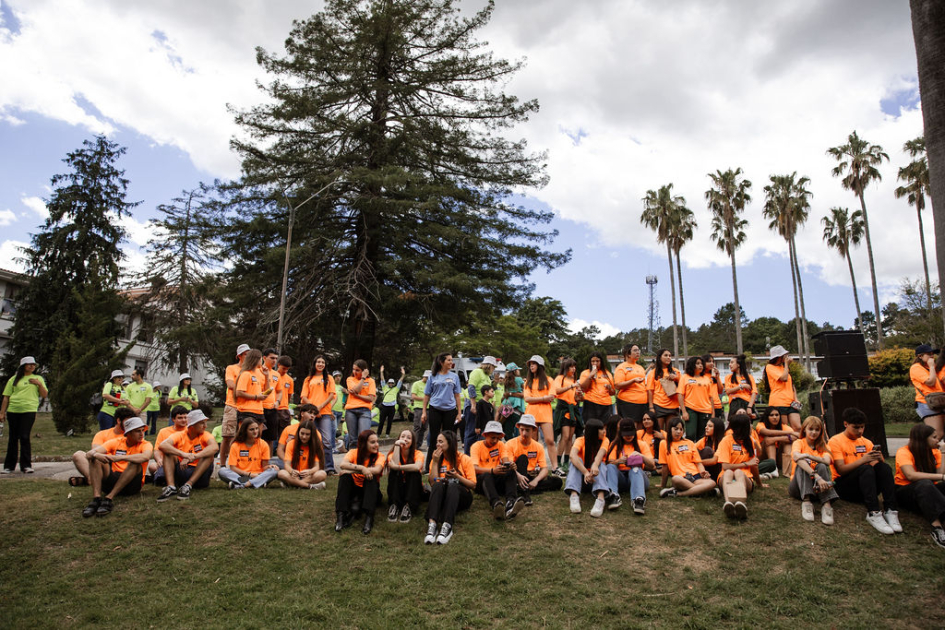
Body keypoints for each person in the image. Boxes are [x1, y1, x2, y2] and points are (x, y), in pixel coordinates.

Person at [828, 407, 900, 535]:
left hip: (866, 484)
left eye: (862, 427)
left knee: (884, 468)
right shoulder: (835, 441)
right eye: (856, 427)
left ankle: (891, 509)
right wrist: (863, 460)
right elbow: (841, 470)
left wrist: (878, 459)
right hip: (844, 486)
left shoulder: (866, 442)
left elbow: (878, 470)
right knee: (865, 468)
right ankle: (873, 512)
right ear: (846, 424)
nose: (860, 431)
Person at [80, 417, 152, 517]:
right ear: (129, 433)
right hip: (113, 478)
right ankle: (96, 499)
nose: (141, 434)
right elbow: (88, 454)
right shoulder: (116, 442)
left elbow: (145, 456)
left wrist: (117, 458)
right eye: (137, 431)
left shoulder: (146, 444)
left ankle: (109, 498)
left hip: (132, 485)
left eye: (142, 431)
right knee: (95, 459)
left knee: (135, 463)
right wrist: (96, 455)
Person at [895, 423, 945, 548]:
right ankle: (937, 527)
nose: (938, 440)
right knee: (924, 484)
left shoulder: (934, 452)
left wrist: (943, 453)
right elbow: (910, 475)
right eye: (934, 437)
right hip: (905, 492)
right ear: (923, 439)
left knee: (929, 485)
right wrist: (941, 477)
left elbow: (940, 475)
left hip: (928, 492)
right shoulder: (904, 452)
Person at [424, 430, 476, 545]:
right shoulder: (436, 459)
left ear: (450, 443)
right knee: (438, 484)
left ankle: (447, 526)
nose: (438, 444)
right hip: (444, 497)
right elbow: (432, 483)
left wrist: (457, 476)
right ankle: (432, 525)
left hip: (462, 497)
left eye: (441, 442)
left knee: (453, 485)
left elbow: (473, 485)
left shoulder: (464, 458)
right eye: (437, 441)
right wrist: (436, 462)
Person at [157, 409, 218, 501]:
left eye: (205, 423)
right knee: (168, 453)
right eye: (202, 423)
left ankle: (188, 485)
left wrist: (194, 457)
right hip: (183, 470)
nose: (205, 426)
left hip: (200, 474)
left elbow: (215, 447)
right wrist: (184, 455)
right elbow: (163, 445)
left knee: (209, 454)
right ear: (192, 426)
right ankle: (171, 487)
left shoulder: (205, 435)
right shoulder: (180, 435)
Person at [1, 356, 48, 474]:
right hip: (13, 410)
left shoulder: (38, 378)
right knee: (13, 438)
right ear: (23, 366)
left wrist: (39, 384)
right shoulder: (13, 379)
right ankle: (9, 466)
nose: (32, 366)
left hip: (29, 410)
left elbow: (44, 395)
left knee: (24, 436)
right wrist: (2, 412)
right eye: (29, 364)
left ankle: (26, 465)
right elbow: (6, 397)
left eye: (33, 364)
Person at [789, 416, 838, 525]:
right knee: (802, 464)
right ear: (804, 429)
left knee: (821, 466)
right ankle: (806, 502)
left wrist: (808, 455)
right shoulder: (799, 442)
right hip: (798, 486)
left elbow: (826, 461)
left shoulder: (824, 446)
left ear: (821, 431)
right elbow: (797, 457)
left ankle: (826, 504)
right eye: (811, 429)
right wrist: (817, 477)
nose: (814, 432)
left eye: (817, 430)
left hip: (818, 487)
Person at [336, 430, 386, 534]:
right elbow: (342, 465)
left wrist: (353, 469)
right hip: (354, 490)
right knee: (345, 477)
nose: (376, 445)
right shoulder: (353, 452)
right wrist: (362, 468)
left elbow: (377, 470)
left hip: (371, 492)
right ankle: (340, 516)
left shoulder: (380, 456)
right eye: (372, 442)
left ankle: (369, 518)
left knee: (370, 477)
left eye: (377, 442)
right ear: (363, 443)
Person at [470, 421, 522, 521]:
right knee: (487, 475)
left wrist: (510, 465)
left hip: (496, 476)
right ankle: (496, 504)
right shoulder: (476, 446)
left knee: (511, 472)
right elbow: (474, 468)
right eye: (492, 438)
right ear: (485, 435)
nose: (495, 441)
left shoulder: (501, 444)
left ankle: (510, 502)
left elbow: (506, 461)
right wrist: (492, 470)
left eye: (498, 438)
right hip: (481, 480)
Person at [602, 417, 654, 515]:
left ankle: (638, 500)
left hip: (638, 477)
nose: (629, 436)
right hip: (621, 478)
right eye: (626, 434)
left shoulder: (641, 444)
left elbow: (652, 465)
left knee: (635, 469)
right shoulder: (614, 444)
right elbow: (608, 463)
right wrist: (619, 461)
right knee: (610, 467)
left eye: (631, 434)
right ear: (620, 433)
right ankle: (614, 495)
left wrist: (641, 456)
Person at [564, 418, 615, 516]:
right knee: (576, 461)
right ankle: (574, 496)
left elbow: (600, 454)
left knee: (601, 464)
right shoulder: (580, 440)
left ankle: (600, 499)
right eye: (601, 429)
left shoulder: (605, 440)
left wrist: (595, 465)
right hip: (581, 480)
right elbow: (572, 455)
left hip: (596, 479)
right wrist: (585, 472)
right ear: (594, 431)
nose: (604, 431)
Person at [69, 407, 133, 486]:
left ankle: (89, 480)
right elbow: (95, 452)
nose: (131, 424)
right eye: (128, 421)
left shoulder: (131, 435)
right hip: (102, 462)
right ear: (119, 420)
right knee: (78, 455)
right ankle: (91, 479)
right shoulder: (102, 434)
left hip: (120, 465)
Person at [523, 355, 561, 479]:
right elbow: (527, 399)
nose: (531, 366)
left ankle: (555, 467)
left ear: (540, 366)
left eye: (534, 363)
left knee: (550, 440)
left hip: (545, 414)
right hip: (531, 414)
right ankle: (533, 467)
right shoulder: (527, 382)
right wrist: (543, 398)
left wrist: (538, 399)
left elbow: (551, 397)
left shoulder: (549, 380)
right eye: (530, 364)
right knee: (533, 442)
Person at [422, 353, 462, 470]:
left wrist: (459, 413)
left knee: (448, 438)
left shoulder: (454, 377)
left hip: (450, 410)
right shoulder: (432, 376)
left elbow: (457, 396)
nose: (451, 362)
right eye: (449, 360)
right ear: (441, 362)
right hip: (435, 409)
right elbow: (426, 395)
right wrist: (424, 412)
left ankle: (450, 465)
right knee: (434, 437)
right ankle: (429, 466)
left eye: (451, 360)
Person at [658, 416, 717, 498]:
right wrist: (662, 485)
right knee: (675, 479)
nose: (679, 431)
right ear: (669, 429)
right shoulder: (664, 443)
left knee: (712, 483)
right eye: (676, 429)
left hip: (695, 476)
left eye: (681, 429)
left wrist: (703, 472)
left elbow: (698, 463)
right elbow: (665, 466)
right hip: (681, 478)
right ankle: (703, 491)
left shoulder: (689, 443)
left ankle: (678, 494)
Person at [716, 413, 761, 519]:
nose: (751, 427)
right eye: (749, 424)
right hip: (726, 477)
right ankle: (728, 504)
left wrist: (759, 483)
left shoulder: (750, 441)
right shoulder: (726, 441)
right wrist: (746, 464)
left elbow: (754, 465)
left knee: (738, 472)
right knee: (729, 472)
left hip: (745, 478)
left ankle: (741, 504)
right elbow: (725, 466)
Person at [218, 416, 278, 489]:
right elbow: (233, 468)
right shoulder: (235, 445)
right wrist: (249, 474)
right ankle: (256, 483)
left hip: (258, 475)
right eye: (251, 429)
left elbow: (264, 466)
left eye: (256, 428)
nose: (255, 431)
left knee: (274, 471)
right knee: (222, 471)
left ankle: (243, 485)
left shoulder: (263, 444)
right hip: (242, 476)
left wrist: (270, 467)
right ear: (245, 431)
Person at [301, 356, 337, 474]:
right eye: (318, 362)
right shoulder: (308, 379)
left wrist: (320, 407)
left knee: (326, 441)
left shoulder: (329, 378)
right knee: (310, 439)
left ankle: (329, 468)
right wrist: (313, 408)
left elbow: (332, 395)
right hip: (310, 413)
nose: (321, 364)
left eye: (323, 362)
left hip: (325, 412)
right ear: (314, 363)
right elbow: (304, 397)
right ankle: (310, 466)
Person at [385, 429, 425, 522]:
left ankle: (408, 506)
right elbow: (393, 464)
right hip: (398, 488)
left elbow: (417, 466)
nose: (405, 439)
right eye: (402, 436)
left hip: (412, 488)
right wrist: (397, 446)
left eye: (409, 438)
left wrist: (399, 467)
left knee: (414, 472)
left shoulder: (418, 453)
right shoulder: (392, 454)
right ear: (398, 438)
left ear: (413, 441)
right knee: (394, 472)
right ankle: (394, 505)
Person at [222, 343, 251, 468]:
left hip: (246, 407)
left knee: (242, 436)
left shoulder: (252, 370)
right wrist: (244, 390)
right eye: (246, 354)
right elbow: (230, 384)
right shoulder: (231, 368)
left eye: (249, 354)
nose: (248, 356)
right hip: (232, 405)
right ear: (239, 356)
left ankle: (238, 464)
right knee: (228, 436)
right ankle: (222, 464)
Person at [276, 418, 327, 490]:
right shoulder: (291, 443)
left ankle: (293, 484)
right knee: (281, 473)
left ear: (312, 435)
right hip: (294, 474)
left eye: (307, 434)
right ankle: (310, 486)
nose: (304, 437)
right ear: (298, 432)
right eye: (302, 433)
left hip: (308, 475)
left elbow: (317, 466)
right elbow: (287, 464)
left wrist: (310, 471)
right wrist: (292, 471)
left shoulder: (316, 445)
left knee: (322, 474)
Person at [552, 358, 582, 475]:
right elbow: (557, 391)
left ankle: (566, 462)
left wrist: (579, 395)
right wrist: (571, 386)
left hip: (573, 409)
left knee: (570, 437)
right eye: (571, 366)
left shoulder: (574, 380)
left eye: (574, 366)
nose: (574, 369)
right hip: (563, 409)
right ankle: (558, 462)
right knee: (564, 436)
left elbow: (575, 398)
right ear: (566, 368)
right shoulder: (560, 378)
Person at [763, 345, 801, 431]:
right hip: (779, 402)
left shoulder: (784, 368)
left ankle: (796, 444)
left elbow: (791, 384)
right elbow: (784, 378)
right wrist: (787, 364)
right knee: (785, 429)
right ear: (779, 357)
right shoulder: (770, 367)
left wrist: (796, 399)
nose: (786, 357)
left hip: (791, 402)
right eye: (784, 355)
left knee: (797, 427)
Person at [463, 356, 497, 453]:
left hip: (483, 405)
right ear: (488, 366)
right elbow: (471, 387)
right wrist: (473, 405)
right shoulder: (477, 372)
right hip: (474, 404)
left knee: (481, 431)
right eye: (493, 367)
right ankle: (468, 456)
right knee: (472, 431)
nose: (493, 369)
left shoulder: (487, 376)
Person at [911, 344, 945, 438]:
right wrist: (932, 367)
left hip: (938, 401)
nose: (931, 356)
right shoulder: (916, 367)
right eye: (928, 354)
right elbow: (931, 382)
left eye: (932, 353)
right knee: (936, 435)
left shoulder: (930, 367)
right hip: (926, 402)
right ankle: (920, 450)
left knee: (940, 434)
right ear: (920, 356)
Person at [646, 349, 682, 432]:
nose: (668, 357)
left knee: (671, 432)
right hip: (658, 405)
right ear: (659, 357)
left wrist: (676, 378)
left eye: (670, 356)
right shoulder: (653, 373)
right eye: (666, 355)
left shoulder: (676, 371)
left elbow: (684, 386)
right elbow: (650, 390)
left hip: (673, 405)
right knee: (658, 431)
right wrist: (651, 407)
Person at [756, 406, 799, 476]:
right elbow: (767, 432)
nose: (775, 417)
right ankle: (773, 468)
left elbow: (796, 437)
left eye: (777, 415)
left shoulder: (784, 427)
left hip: (779, 456)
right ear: (767, 417)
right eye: (771, 415)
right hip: (763, 456)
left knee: (788, 442)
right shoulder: (760, 425)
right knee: (769, 439)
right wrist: (789, 434)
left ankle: (788, 468)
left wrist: (777, 439)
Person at [153, 405, 189, 486]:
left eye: (185, 417)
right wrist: (159, 460)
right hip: (166, 461)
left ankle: (162, 477)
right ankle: (162, 476)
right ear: (173, 419)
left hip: (182, 462)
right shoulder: (163, 431)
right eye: (180, 418)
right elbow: (157, 450)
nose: (183, 420)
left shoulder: (190, 431)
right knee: (152, 467)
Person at [345, 360, 377, 448]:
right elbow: (357, 390)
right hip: (351, 410)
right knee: (353, 439)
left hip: (365, 410)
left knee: (364, 437)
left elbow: (370, 398)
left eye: (357, 370)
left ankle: (363, 459)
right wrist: (362, 379)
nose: (354, 372)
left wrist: (356, 395)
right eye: (353, 369)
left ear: (363, 371)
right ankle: (352, 459)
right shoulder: (350, 379)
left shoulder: (371, 381)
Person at [679, 356, 712, 440]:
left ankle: (700, 452)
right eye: (697, 364)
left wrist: (713, 412)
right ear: (692, 365)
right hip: (690, 409)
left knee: (702, 436)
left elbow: (710, 396)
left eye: (701, 364)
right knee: (690, 434)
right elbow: (680, 394)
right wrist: (684, 412)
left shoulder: (706, 379)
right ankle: (689, 452)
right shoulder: (685, 377)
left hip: (705, 410)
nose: (700, 365)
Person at [614, 344, 648, 426]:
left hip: (643, 402)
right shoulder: (621, 367)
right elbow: (617, 385)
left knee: (642, 428)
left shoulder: (640, 367)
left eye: (638, 350)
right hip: (628, 402)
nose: (638, 352)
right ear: (628, 354)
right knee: (631, 427)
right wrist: (633, 381)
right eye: (635, 350)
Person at [235, 349, 270, 428]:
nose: (262, 361)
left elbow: (267, 392)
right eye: (261, 358)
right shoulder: (246, 374)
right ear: (256, 359)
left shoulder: (258, 374)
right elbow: (239, 392)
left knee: (257, 438)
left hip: (259, 410)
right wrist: (256, 397)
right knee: (246, 438)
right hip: (246, 411)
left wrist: (267, 376)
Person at [579, 351, 615, 421]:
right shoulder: (585, 373)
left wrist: (610, 389)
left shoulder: (607, 373)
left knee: (604, 427)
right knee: (591, 427)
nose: (595, 363)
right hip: (590, 403)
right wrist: (590, 376)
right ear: (590, 362)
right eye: (593, 361)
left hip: (606, 403)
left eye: (597, 361)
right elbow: (583, 388)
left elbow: (613, 393)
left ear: (601, 361)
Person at [260, 348, 282, 446]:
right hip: (259, 408)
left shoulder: (276, 374)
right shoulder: (258, 371)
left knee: (271, 438)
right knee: (258, 436)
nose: (274, 361)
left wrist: (278, 401)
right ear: (264, 358)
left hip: (272, 409)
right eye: (272, 358)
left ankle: (267, 460)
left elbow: (279, 391)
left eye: (276, 358)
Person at [497, 362, 525, 438]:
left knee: (503, 420)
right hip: (516, 404)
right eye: (518, 370)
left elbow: (505, 394)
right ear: (515, 371)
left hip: (507, 403)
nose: (519, 371)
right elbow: (525, 393)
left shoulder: (506, 380)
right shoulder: (519, 379)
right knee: (516, 427)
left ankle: (497, 427)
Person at [378, 365, 404, 438]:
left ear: (393, 384)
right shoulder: (385, 387)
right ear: (388, 383)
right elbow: (382, 379)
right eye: (389, 383)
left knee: (390, 422)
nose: (390, 384)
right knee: (382, 421)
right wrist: (381, 372)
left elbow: (400, 381)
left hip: (392, 407)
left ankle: (387, 434)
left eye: (392, 383)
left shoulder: (396, 389)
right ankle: (378, 433)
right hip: (384, 406)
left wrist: (403, 374)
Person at [274, 355, 294, 442]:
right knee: (272, 435)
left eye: (287, 369)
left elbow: (289, 395)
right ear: (278, 365)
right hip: (273, 408)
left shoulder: (290, 380)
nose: (285, 371)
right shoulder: (273, 376)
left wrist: (286, 405)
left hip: (284, 409)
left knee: (285, 435)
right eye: (283, 368)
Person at [410, 370, 430, 448]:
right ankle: (414, 446)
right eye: (426, 377)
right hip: (419, 408)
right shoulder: (416, 384)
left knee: (424, 428)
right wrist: (424, 399)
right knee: (417, 427)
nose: (427, 379)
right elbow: (413, 396)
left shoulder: (430, 385)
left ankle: (418, 445)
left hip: (428, 408)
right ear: (423, 376)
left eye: (429, 378)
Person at [332, 370, 347, 452]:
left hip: (340, 411)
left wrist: (344, 401)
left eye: (339, 376)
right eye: (336, 376)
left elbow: (346, 395)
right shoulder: (331, 386)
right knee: (334, 429)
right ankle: (333, 447)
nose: (338, 378)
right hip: (332, 410)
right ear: (333, 378)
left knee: (334, 429)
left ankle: (333, 447)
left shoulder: (341, 387)